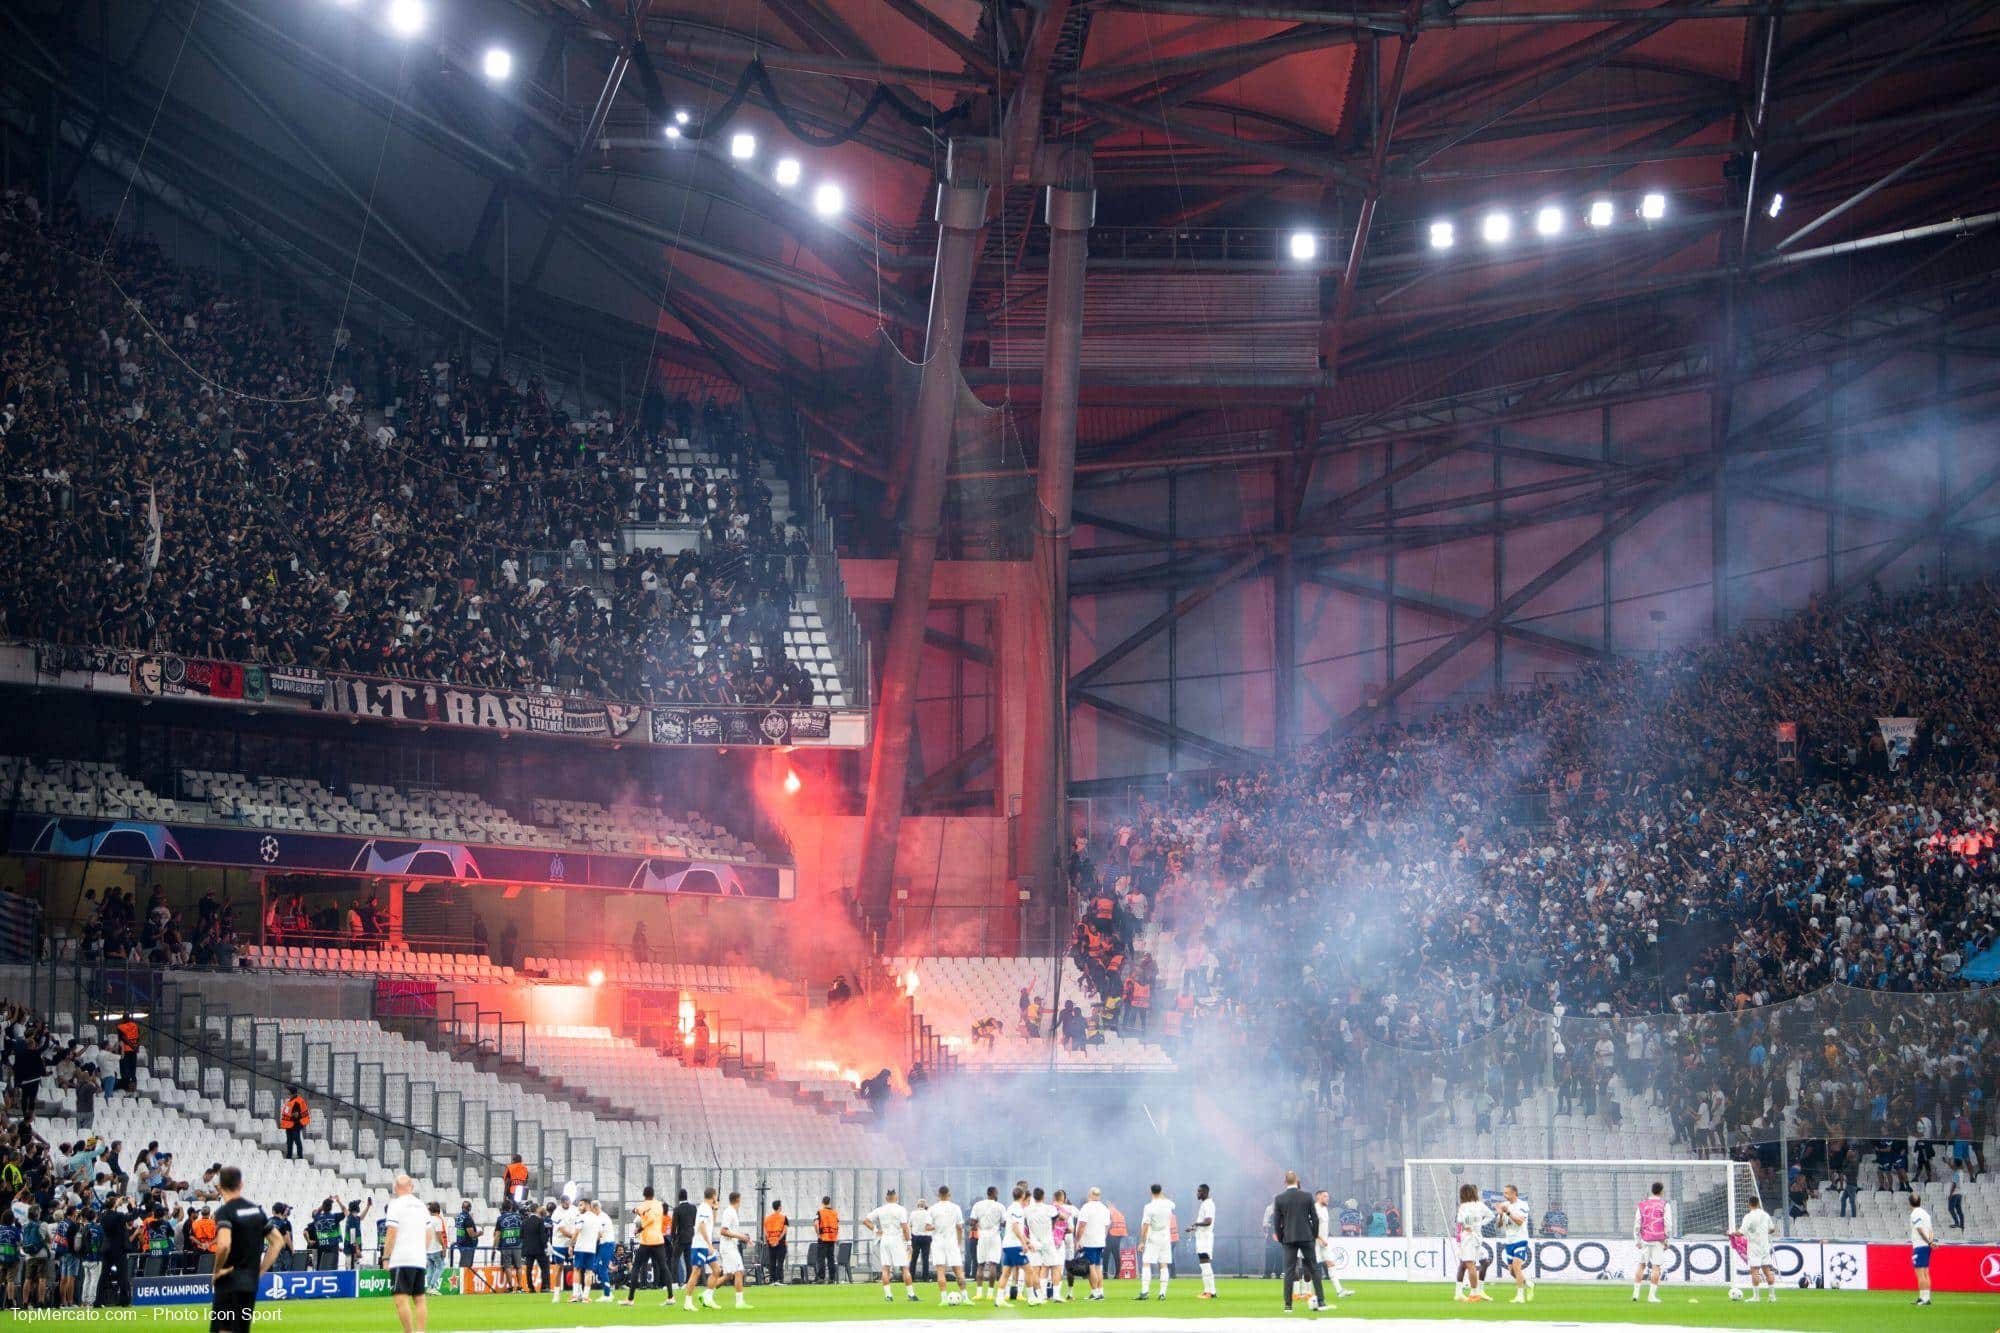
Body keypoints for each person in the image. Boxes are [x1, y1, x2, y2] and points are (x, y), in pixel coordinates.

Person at [208, 1166, 284, 1332]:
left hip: (228, 1281)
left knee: (223, 1329)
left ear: (220, 1187)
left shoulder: (225, 1212)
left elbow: (224, 1244)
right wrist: (260, 1271)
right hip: (249, 1282)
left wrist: (217, 1270)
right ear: (241, 1184)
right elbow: (278, 1241)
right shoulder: (256, 1210)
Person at [383, 1176, 432, 1333]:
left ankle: (409, 1332)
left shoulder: (395, 1205)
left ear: (396, 1188)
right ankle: (421, 1331)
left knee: (401, 1298)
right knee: (419, 1298)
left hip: (401, 1258)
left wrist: (385, 1257)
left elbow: (391, 1232)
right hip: (418, 1258)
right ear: (411, 1186)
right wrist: (421, 1251)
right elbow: (429, 1233)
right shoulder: (421, 1205)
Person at [1274, 1171, 1325, 1312]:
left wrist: (1281, 1238)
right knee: (1314, 1268)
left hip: (1289, 1238)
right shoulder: (1307, 1196)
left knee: (1289, 1271)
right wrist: (1313, 1235)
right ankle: (1321, 1301)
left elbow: (1277, 1222)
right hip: (1306, 1236)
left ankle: (1288, 1305)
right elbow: (1315, 1218)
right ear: (1297, 1181)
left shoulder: (1279, 1198)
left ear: (1285, 1182)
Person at [863, 1187, 916, 1304]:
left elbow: (866, 1220)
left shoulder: (881, 1209)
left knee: (885, 1268)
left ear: (886, 1198)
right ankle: (911, 1294)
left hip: (885, 1239)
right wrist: (909, 1243)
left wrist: (876, 1230)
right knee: (905, 1268)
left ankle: (888, 1295)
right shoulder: (901, 1209)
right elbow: (905, 1227)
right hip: (897, 1240)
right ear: (896, 1197)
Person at [624, 1185, 670, 1304]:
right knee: (663, 1266)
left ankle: (630, 1299)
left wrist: (639, 1228)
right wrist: (637, 1211)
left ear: (644, 1195)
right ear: (653, 1195)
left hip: (646, 1240)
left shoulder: (642, 1205)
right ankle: (670, 1297)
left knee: (636, 1267)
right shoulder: (659, 1205)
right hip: (658, 1239)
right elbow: (649, 1216)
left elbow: (648, 1218)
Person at [1451, 1183, 1493, 1304]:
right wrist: (1480, 1224)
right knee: (1469, 1264)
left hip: (1468, 1238)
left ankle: (1474, 1293)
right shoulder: (1480, 1205)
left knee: (1470, 1265)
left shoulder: (1463, 1207)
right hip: (1477, 1238)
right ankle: (1464, 1292)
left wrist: (1467, 1227)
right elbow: (1491, 1215)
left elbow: (1460, 1221)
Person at [682, 1188, 720, 1311]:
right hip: (700, 1245)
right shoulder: (703, 1208)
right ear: (713, 1196)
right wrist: (709, 1244)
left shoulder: (708, 1208)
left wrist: (715, 1209)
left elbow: (711, 1223)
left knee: (716, 1270)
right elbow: (702, 1226)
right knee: (696, 1272)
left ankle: (707, 1297)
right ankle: (687, 1302)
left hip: (705, 1245)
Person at [1631, 1180, 1670, 1304]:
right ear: (1662, 1191)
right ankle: (1651, 1296)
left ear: (1651, 1190)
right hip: (1658, 1239)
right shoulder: (1664, 1204)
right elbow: (1668, 1223)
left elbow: (1637, 1223)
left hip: (1645, 1239)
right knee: (1656, 1267)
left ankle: (1635, 1294)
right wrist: (1666, 1239)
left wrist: (1637, 1239)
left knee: (1641, 1265)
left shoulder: (1642, 1205)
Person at [711, 1191, 751, 1309]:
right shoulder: (729, 1212)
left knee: (728, 1275)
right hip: (728, 1247)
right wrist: (740, 1237)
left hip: (730, 1246)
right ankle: (739, 1302)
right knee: (739, 1271)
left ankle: (707, 1294)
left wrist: (744, 1237)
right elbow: (723, 1231)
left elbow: (730, 1230)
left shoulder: (731, 1212)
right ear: (738, 1200)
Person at [928, 1186, 968, 1305]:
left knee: (940, 1271)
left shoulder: (933, 1208)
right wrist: (959, 1243)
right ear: (949, 1194)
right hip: (952, 1243)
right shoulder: (956, 1208)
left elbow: (927, 1227)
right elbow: (960, 1227)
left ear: (938, 1195)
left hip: (938, 1242)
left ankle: (944, 1299)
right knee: (958, 1271)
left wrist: (937, 1226)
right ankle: (965, 1298)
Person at [1311, 1189, 1354, 1300]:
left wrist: (1327, 1237)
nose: (1327, 1198)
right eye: (1325, 1196)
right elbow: (1311, 1227)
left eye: (1328, 1196)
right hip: (1315, 1243)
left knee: (1331, 1264)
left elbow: (1323, 1227)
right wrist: (1320, 1238)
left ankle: (1339, 1291)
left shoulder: (1325, 1209)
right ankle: (1311, 1294)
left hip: (1324, 1244)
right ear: (1318, 1197)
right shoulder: (1314, 1209)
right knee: (1313, 1269)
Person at [1137, 1183, 1175, 1302]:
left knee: (1146, 1263)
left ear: (1150, 1192)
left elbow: (1145, 1225)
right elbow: (1172, 1203)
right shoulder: (1168, 1204)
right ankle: (1162, 1293)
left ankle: (1144, 1292)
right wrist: (1162, 1195)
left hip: (1153, 1237)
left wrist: (1142, 1241)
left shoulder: (1149, 1207)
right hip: (1165, 1237)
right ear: (1161, 1191)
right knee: (1163, 1264)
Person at [1497, 1183, 1534, 1303]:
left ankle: (1520, 1296)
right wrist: (1501, 1214)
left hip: (1520, 1239)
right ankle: (1528, 1283)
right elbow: (1499, 1225)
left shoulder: (1522, 1205)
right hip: (1509, 1241)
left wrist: (1508, 1212)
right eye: (1504, 1193)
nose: (1505, 1195)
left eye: (1507, 1193)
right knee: (1512, 1271)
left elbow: (1519, 1222)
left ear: (1514, 1193)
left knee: (1517, 1267)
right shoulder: (1504, 1205)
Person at [1024, 1186, 1060, 1305]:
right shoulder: (1049, 1208)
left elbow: (1024, 1224)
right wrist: (1052, 1226)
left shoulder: (1027, 1210)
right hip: (1047, 1241)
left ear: (1033, 1197)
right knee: (1055, 1266)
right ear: (1043, 1196)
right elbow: (1057, 1216)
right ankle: (1056, 1295)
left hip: (1034, 1242)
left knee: (1035, 1269)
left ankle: (1040, 1295)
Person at [1735, 1194, 1775, 1302]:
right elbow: (1772, 1229)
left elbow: (1740, 1233)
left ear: (1749, 1204)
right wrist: (1762, 1232)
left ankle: (1756, 1297)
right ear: (1758, 1203)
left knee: (1754, 1271)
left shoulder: (1748, 1216)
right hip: (1765, 1247)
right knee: (1767, 1271)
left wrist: (1731, 1233)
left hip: (1754, 1247)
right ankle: (1772, 1296)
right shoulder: (1765, 1215)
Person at [1074, 1187, 1111, 1302]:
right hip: (1100, 1241)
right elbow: (1107, 1226)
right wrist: (1103, 1237)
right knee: (1098, 1267)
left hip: (1089, 1241)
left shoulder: (1086, 1207)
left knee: (1090, 1267)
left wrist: (1078, 1239)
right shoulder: (1104, 1208)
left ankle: (1095, 1293)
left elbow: (1082, 1225)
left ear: (1089, 1194)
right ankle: (1099, 1292)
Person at [970, 1186, 1005, 1301]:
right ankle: (990, 1294)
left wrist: (978, 1225)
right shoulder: (1000, 1206)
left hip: (982, 1236)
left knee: (980, 1264)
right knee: (993, 1264)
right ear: (995, 1193)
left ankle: (979, 1293)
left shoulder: (978, 1205)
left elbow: (972, 1222)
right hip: (995, 1237)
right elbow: (1004, 1222)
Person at [999, 1185, 1029, 1307]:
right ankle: (1032, 1298)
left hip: (1007, 1244)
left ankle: (999, 1299)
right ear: (1023, 1196)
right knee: (1030, 1270)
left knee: (1006, 1273)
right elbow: (1015, 1227)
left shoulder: (1010, 1207)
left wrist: (1027, 1241)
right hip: (1014, 1245)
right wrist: (1023, 1242)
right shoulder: (1017, 1209)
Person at [549, 1196, 580, 1304]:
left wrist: (575, 1238)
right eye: (564, 1203)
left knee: (577, 1267)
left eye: (568, 1202)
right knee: (559, 1267)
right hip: (559, 1243)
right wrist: (575, 1236)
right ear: (561, 1202)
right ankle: (556, 1294)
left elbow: (579, 1224)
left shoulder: (575, 1210)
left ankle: (577, 1293)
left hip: (573, 1242)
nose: (566, 1204)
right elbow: (562, 1230)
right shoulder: (557, 1213)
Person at [1192, 1183, 1217, 1298]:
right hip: (1201, 1237)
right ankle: (1209, 1290)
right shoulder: (1204, 1204)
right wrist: (1193, 1227)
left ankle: (1210, 1292)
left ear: (1205, 1192)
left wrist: (1196, 1223)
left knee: (1205, 1263)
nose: (1197, 1193)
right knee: (1203, 1264)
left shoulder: (1208, 1204)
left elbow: (1208, 1221)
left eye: (1199, 1191)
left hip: (1205, 1238)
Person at [493, 1198, 523, 1293]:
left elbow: (497, 1234)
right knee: (519, 1266)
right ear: (511, 1207)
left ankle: (510, 1287)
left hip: (506, 1246)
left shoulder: (500, 1219)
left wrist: (494, 1247)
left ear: (503, 1208)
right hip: (517, 1245)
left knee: (507, 1267)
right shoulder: (519, 1217)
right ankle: (520, 1287)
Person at [1909, 1192, 1934, 1307]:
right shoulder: (1926, 1214)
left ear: (1910, 1203)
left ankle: (1924, 1298)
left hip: (1919, 1245)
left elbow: (1919, 1229)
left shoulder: (1915, 1213)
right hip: (1927, 1246)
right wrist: (1930, 1242)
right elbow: (1931, 1230)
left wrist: (1928, 1242)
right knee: (1925, 1272)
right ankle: (1925, 1297)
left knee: (1920, 1274)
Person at [671, 1190, 698, 1293]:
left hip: (680, 1238)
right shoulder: (693, 1208)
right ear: (687, 1196)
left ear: (679, 1197)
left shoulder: (677, 1209)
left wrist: (673, 1238)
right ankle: (688, 1282)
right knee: (688, 1260)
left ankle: (675, 1282)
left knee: (675, 1259)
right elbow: (694, 1222)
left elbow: (674, 1225)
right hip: (691, 1237)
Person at [520, 1201, 549, 1294]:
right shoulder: (540, 1221)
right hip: (539, 1249)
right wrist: (545, 1246)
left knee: (529, 1269)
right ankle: (544, 1287)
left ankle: (531, 1288)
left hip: (528, 1249)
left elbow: (521, 1235)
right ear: (537, 1209)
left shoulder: (524, 1222)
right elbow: (542, 1236)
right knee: (544, 1268)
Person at [308, 1197, 343, 1271]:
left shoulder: (317, 1218)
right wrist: (338, 1201)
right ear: (331, 1207)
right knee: (332, 1268)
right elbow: (346, 1212)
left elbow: (316, 1212)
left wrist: (325, 1202)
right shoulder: (334, 1217)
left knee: (320, 1268)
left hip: (321, 1245)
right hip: (331, 1246)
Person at [811, 1196, 839, 1284]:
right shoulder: (834, 1213)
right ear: (829, 1202)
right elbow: (837, 1226)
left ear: (822, 1203)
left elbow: (816, 1224)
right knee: (831, 1258)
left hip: (823, 1238)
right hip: (832, 1238)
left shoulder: (820, 1212)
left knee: (821, 1258)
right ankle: (832, 1278)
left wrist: (818, 1234)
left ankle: (821, 1278)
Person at [278, 1086, 309, 1160]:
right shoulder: (290, 1101)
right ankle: (289, 1156)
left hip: (296, 1124)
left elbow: (296, 1114)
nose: (288, 1093)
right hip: (289, 1125)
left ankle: (300, 1156)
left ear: (291, 1093)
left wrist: (290, 1116)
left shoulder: (297, 1102)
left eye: (289, 1091)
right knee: (289, 1141)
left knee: (297, 1140)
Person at [762, 1198, 788, 1286]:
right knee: (780, 1262)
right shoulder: (783, 1217)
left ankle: (772, 1280)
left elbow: (765, 1231)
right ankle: (779, 1280)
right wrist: (778, 1240)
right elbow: (784, 1231)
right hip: (780, 1243)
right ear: (779, 1207)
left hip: (770, 1242)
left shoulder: (767, 1218)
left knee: (772, 1261)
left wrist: (769, 1240)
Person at [908, 1192, 932, 1282]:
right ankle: (925, 1278)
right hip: (926, 1237)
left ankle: (911, 1277)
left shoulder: (912, 1213)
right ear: (925, 1205)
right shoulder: (928, 1213)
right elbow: (929, 1225)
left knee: (914, 1258)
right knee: (925, 1258)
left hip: (915, 1237)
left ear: (917, 1205)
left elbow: (909, 1225)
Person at [343, 1197, 372, 1271]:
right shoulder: (352, 1219)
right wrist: (357, 1250)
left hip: (352, 1250)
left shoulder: (354, 1218)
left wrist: (368, 1207)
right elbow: (353, 1236)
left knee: (354, 1269)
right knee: (351, 1270)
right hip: (351, 1250)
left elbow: (361, 1217)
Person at [452, 1200, 479, 1271]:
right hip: (467, 1245)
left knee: (463, 1264)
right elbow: (472, 1235)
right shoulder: (467, 1218)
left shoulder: (458, 1217)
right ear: (469, 1208)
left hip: (460, 1243)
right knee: (466, 1267)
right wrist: (480, 1233)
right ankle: (464, 1281)